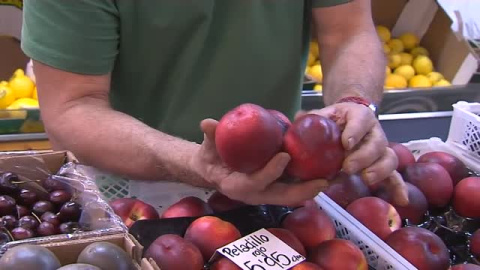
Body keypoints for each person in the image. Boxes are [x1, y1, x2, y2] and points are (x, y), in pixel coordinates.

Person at [21, 0, 408, 210]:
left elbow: (349, 30)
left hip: (280, 181)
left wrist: (355, 101)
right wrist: (196, 163)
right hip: (128, 191)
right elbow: (72, 107)